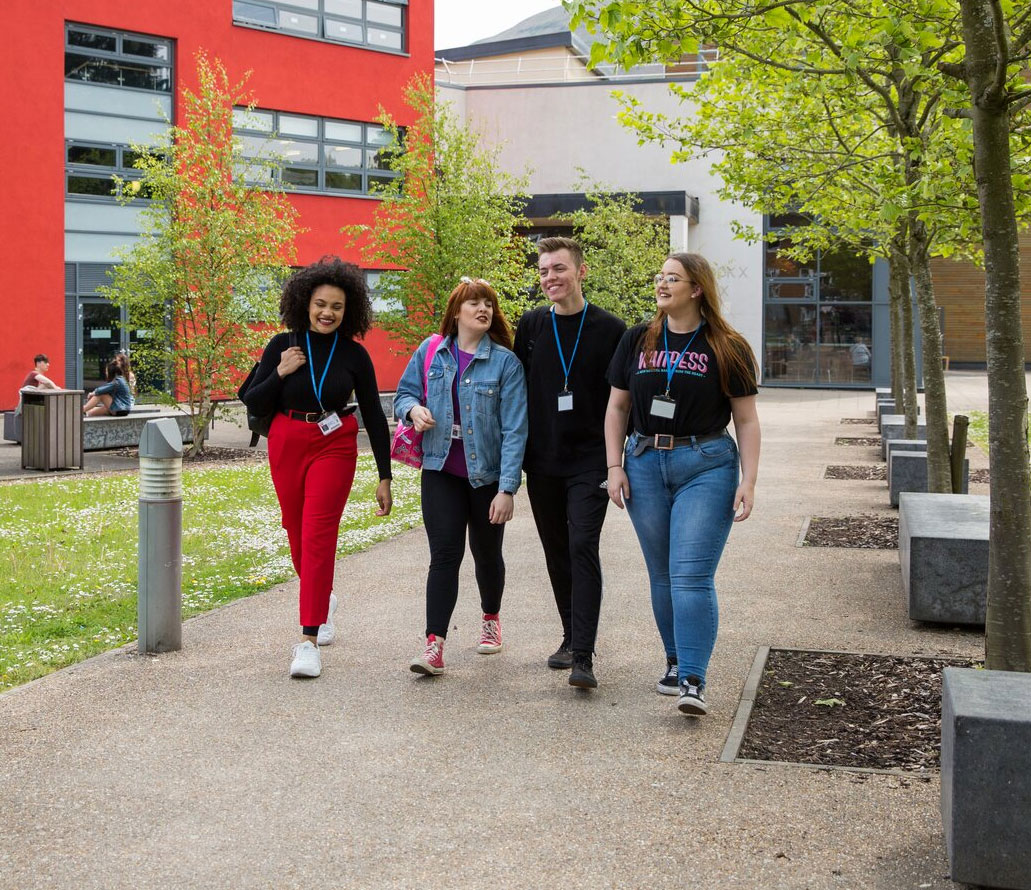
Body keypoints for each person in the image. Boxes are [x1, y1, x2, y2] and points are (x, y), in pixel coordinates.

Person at [604, 252, 760, 717]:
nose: (662, 283)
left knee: (690, 574)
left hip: (706, 463)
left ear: (696, 288)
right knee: (662, 574)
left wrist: (748, 480)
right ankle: (674, 662)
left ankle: (693, 677)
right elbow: (616, 408)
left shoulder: (727, 345)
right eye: (660, 276)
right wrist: (614, 467)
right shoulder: (638, 340)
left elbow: (747, 421)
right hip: (645, 462)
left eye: (673, 278)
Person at [242, 256, 393, 679]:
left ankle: (308, 641)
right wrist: (280, 371)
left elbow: (374, 416)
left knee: (318, 533)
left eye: (337, 307)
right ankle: (322, 596)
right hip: (288, 438)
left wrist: (384, 474)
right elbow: (252, 400)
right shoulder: (281, 344)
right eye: (321, 304)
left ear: (350, 311)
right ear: (305, 303)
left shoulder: (354, 356)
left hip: (335, 442)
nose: (327, 312)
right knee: (294, 527)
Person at [395, 277, 527, 677]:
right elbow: (404, 394)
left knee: (486, 554)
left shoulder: (506, 363)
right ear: (456, 313)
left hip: (485, 477)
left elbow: (515, 430)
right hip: (440, 470)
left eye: (488, 303)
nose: (483, 309)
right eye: (474, 303)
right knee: (445, 557)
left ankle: (491, 617)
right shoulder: (430, 351)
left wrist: (507, 489)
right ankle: (434, 645)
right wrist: (412, 411)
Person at [513, 237, 626, 690]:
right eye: (543, 271)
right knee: (556, 550)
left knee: (582, 545)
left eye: (558, 269)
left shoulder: (610, 329)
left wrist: (618, 461)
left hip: (592, 460)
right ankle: (568, 635)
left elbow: (623, 402)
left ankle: (584, 655)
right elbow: (516, 391)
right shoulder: (531, 325)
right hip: (542, 461)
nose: (550, 278)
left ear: (581, 272)